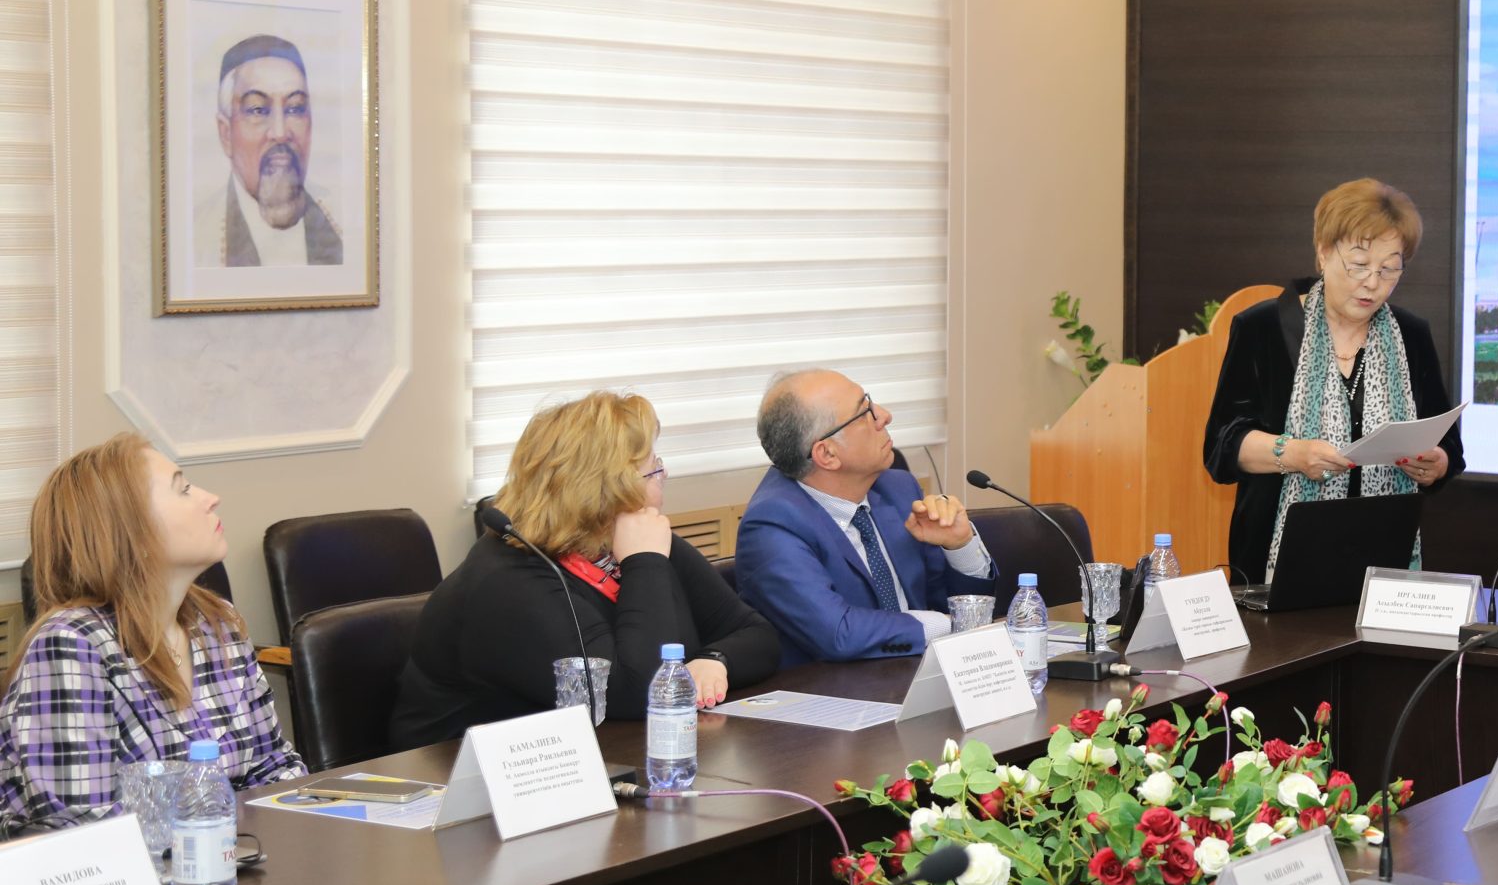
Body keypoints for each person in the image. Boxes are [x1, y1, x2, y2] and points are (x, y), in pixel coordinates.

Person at [390, 391, 778, 747]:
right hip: (466, 780)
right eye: (653, 469)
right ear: (607, 491)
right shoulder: (507, 583)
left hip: (603, 755)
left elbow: (758, 635)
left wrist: (715, 659)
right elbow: (632, 694)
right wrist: (644, 563)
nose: (664, 478)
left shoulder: (636, 540)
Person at [1, 433, 305, 832]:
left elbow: (275, 767)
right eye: (184, 490)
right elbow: (82, 830)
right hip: (122, 871)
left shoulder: (219, 624)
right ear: (129, 532)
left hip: (229, 859)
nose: (211, 498)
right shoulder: (71, 645)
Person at [1203, 178, 1464, 581]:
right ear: (1323, 253)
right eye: (1359, 265)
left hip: (1383, 555)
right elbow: (1222, 447)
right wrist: (1293, 454)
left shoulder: (1411, 335)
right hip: (1273, 557)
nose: (1373, 282)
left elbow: (1448, 444)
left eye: (1389, 269)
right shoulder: (1264, 328)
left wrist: (1438, 464)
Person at [734, 370, 1002, 663]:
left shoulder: (898, 488)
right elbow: (839, 632)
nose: (885, 416)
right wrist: (949, 626)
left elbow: (957, 604)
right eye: (864, 412)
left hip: (920, 672)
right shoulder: (771, 527)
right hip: (839, 687)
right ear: (827, 454)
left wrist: (960, 546)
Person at [195, 34, 343, 267]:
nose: (280, 132)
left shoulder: (343, 219)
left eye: (295, 108)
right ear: (226, 134)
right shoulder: (198, 238)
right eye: (258, 110)